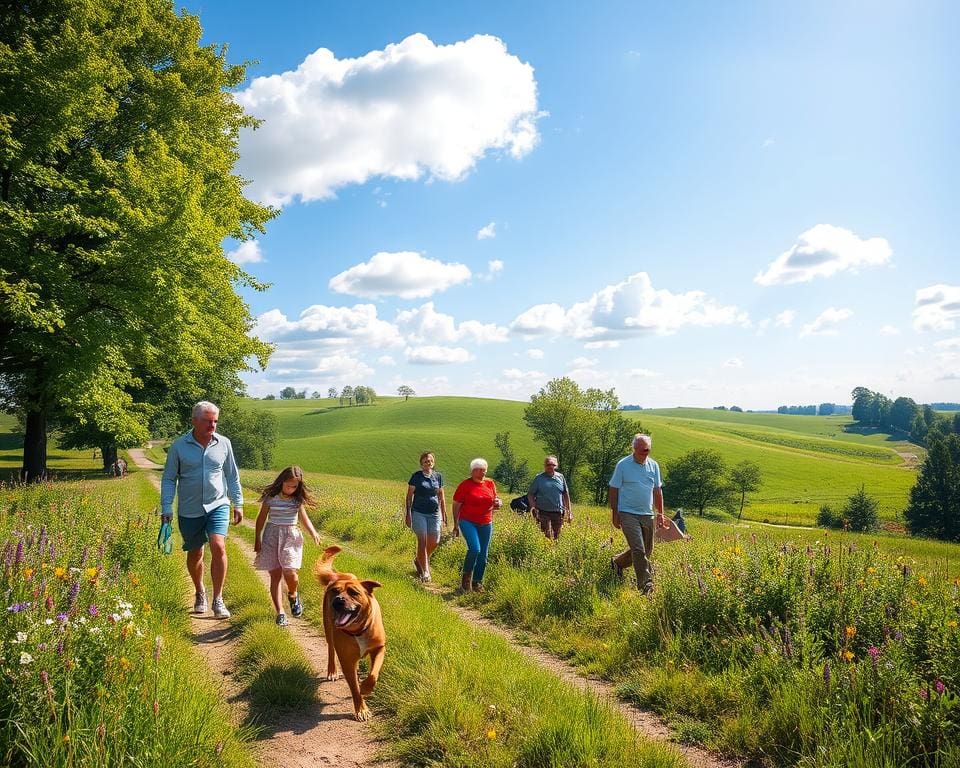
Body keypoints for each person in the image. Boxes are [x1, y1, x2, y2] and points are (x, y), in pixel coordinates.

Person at [160, 401, 243, 619]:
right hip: (189, 508)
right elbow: (169, 478)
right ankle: (199, 591)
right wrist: (166, 506)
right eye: (207, 421)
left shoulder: (224, 443)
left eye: (215, 421)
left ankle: (218, 599)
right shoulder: (179, 446)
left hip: (218, 504)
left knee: (218, 545)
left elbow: (232, 476)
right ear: (194, 421)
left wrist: (238, 503)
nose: (212, 425)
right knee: (195, 551)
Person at [254, 466, 322, 626]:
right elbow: (261, 519)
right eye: (288, 485)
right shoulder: (270, 497)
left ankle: (293, 594)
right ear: (282, 481)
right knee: (275, 576)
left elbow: (304, 519)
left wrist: (313, 533)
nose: (291, 489)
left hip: (291, 537)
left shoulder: (297, 500)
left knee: (291, 572)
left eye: (295, 486)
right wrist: (257, 538)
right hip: (272, 536)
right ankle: (280, 613)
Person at [608, 434, 669, 595]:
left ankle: (617, 564)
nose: (645, 453)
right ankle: (646, 585)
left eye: (647, 450)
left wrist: (661, 513)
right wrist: (615, 512)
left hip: (647, 514)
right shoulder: (623, 465)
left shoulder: (654, 466)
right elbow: (614, 488)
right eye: (641, 450)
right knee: (638, 548)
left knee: (646, 551)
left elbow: (657, 491)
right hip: (627, 513)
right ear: (633, 449)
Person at [452, 458, 502, 593]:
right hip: (467, 520)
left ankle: (477, 582)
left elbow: (495, 500)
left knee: (483, 555)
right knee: (475, 549)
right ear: (473, 471)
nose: (482, 473)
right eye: (479, 470)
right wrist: (455, 523)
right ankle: (465, 580)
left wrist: (498, 503)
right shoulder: (465, 485)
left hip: (486, 522)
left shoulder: (490, 484)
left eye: (484, 470)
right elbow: (456, 504)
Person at [405, 451, 447, 582]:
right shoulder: (416, 477)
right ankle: (425, 572)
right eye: (425, 461)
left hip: (434, 513)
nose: (428, 463)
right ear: (421, 464)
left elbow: (441, 495)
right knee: (422, 542)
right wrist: (408, 514)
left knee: (435, 541)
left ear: (433, 462)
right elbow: (409, 496)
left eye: (430, 461)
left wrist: (444, 513)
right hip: (418, 513)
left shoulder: (438, 477)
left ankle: (420, 559)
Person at [527, 455, 572, 540]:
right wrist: (533, 508)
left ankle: (554, 552)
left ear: (556, 466)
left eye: (553, 465)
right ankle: (546, 551)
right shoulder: (539, 478)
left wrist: (569, 512)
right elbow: (530, 494)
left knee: (557, 536)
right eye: (548, 464)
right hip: (543, 512)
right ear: (545, 466)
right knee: (546, 535)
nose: (551, 467)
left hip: (558, 513)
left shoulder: (561, 477)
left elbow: (566, 495)